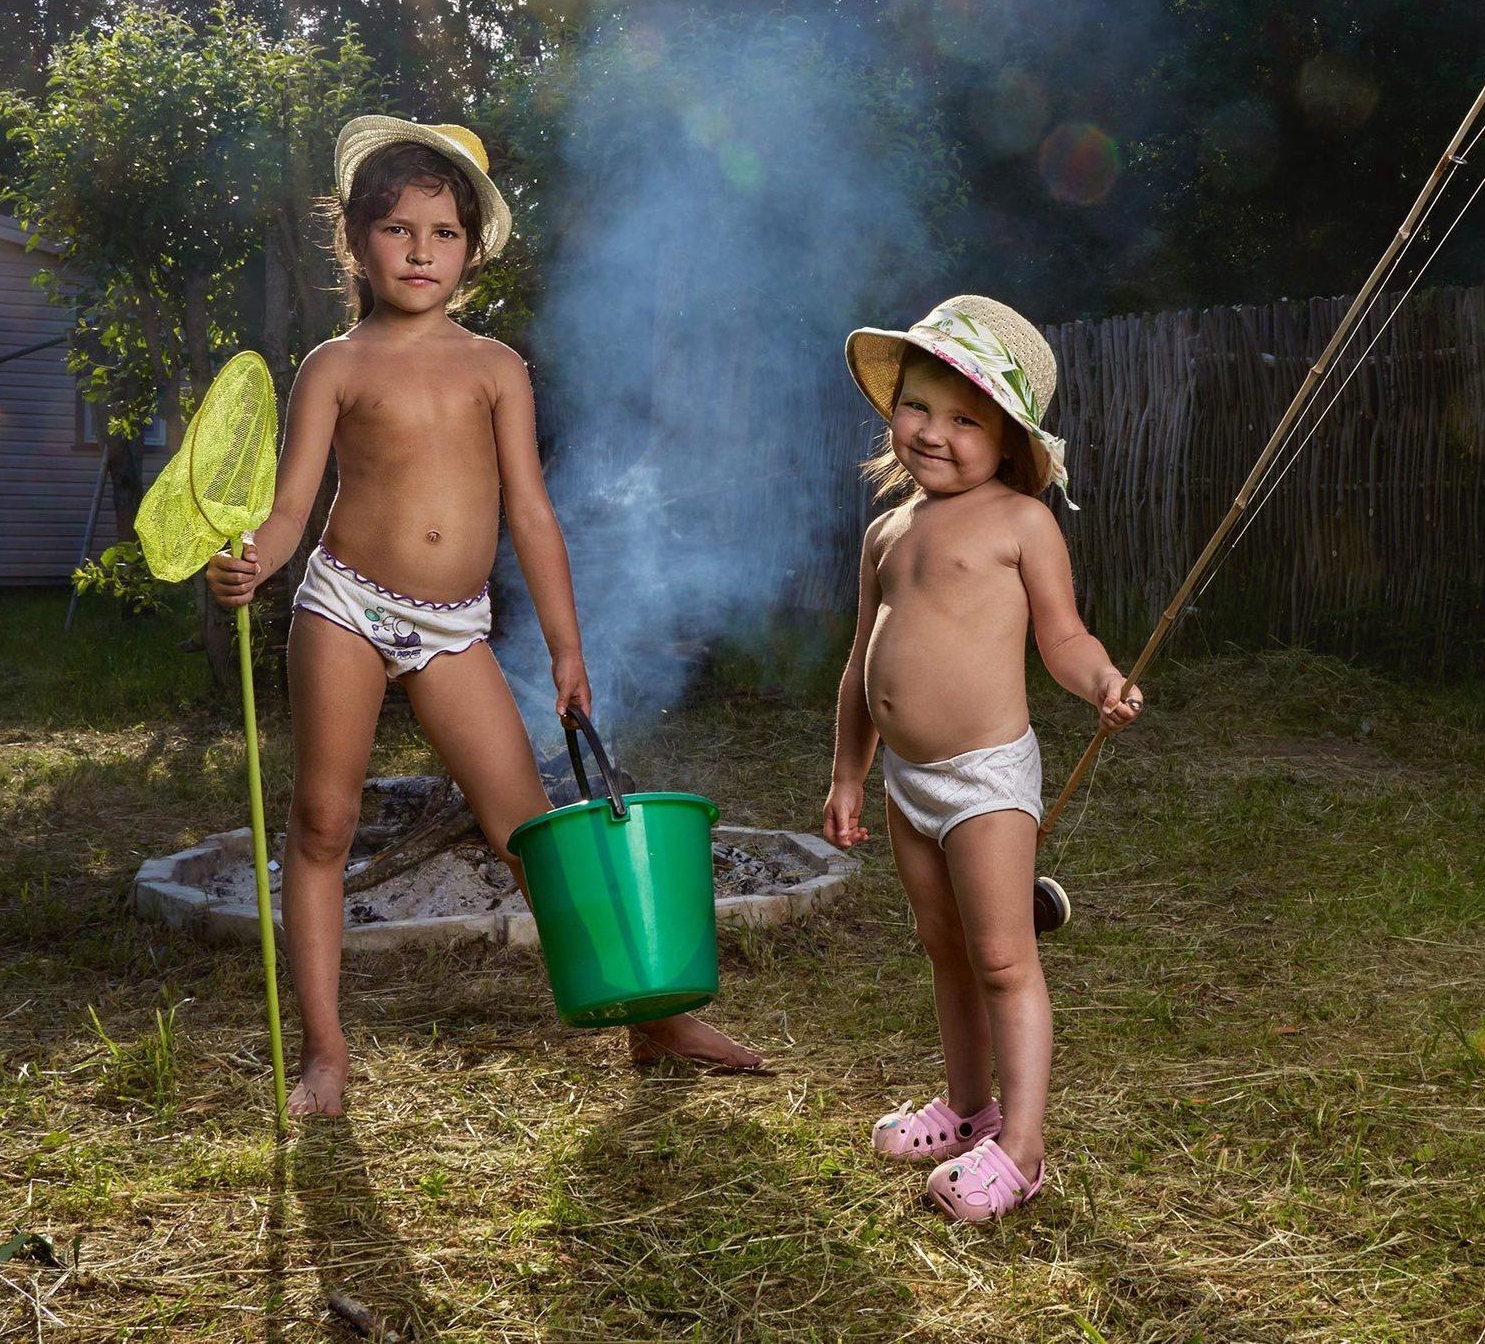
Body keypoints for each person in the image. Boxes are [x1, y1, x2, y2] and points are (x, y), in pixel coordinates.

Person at [207, 115, 762, 1118]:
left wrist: (564, 647)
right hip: (344, 601)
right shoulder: (335, 366)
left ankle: (652, 1023)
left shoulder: (495, 367)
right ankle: (326, 1056)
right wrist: (254, 563)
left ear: (472, 247)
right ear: (356, 241)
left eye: (444, 233)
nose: (421, 252)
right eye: (398, 230)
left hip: (454, 624)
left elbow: (532, 514)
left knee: (531, 835)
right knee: (323, 823)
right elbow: (291, 510)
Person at [823, 296, 1144, 1221]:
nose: (935, 431)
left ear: (1008, 441)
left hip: (985, 780)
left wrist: (1101, 681)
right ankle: (968, 1109)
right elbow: (860, 662)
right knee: (943, 947)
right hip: (905, 781)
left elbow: (1065, 636)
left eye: (967, 418)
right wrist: (850, 769)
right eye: (919, 405)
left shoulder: (1020, 524)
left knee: (1003, 958)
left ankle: (1024, 1149)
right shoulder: (888, 531)